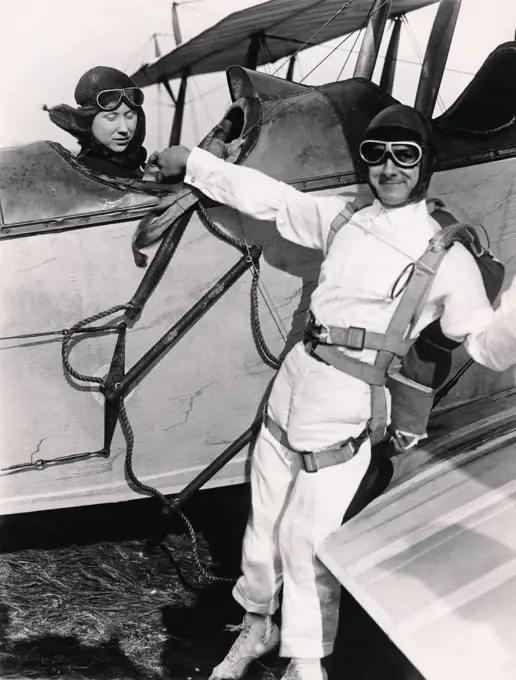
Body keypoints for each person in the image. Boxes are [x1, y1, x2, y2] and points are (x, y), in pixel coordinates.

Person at [152, 104, 516, 680]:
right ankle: (256, 626)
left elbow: (486, 347)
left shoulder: (448, 257)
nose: (389, 168)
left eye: (406, 155)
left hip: (349, 401)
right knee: (264, 519)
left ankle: (306, 661)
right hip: (293, 383)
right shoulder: (344, 217)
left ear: (426, 164)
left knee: (306, 538)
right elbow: (271, 198)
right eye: (376, 154)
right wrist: (194, 163)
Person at [45, 66, 150, 179]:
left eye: (130, 116)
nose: (124, 129)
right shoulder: (83, 175)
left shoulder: (140, 166)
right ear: (88, 120)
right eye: (111, 117)